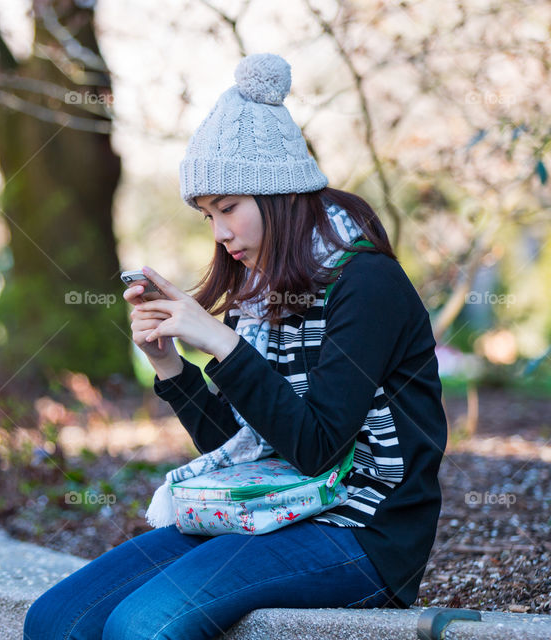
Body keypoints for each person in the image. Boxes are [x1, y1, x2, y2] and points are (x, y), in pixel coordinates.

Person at [23, 52, 447, 640]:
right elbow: (245, 449)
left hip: (360, 531)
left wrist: (221, 341)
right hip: (267, 509)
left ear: (280, 196)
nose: (220, 233)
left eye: (229, 208)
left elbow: (317, 447)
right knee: (55, 620)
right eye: (207, 215)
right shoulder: (263, 291)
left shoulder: (366, 283)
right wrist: (170, 365)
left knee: (144, 625)